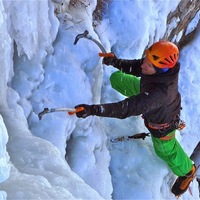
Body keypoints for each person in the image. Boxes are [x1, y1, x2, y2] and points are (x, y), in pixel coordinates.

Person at [74, 41, 196, 197]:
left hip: (162, 126)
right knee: (118, 79)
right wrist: (116, 62)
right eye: (146, 59)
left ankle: (187, 171)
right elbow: (139, 66)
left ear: (160, 70)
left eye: (149, 64)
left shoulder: (158, 94)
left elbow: (126, 108)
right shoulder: (160, 70)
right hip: (149, 95)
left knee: (167, 151)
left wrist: (92, 110)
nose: (144, 64)